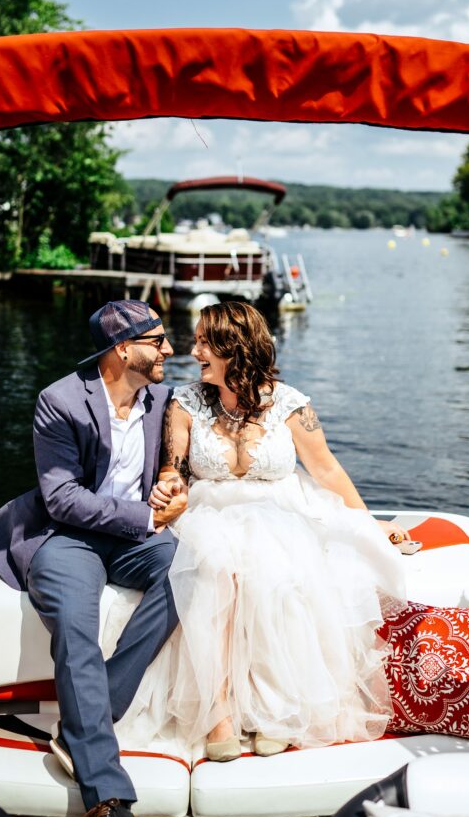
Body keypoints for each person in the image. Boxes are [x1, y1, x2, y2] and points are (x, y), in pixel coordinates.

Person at [126, 300, 408, 762]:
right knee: (215, 564)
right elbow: (172, 471)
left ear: (233, 348)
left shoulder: (292, 405)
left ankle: (279, 708)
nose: (193, 350)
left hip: (280, 510)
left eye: (203, 342)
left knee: (275, 564)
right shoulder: (185, 402)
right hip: (207, 512)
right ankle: (218, 712)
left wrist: (369, 520)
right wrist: (166, 490)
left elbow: (327, 471)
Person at [0, 300, 185, 817]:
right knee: (75, 622)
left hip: (136, 538)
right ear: (122, 349)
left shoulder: (162, 398)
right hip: (64, 536)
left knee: (195, 570)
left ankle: (95, 709)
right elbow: (63, 498)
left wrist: (169, 481)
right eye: (158, 340)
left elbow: (174, 462)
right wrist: (146, 516)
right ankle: (109, 802)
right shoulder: (60, 401)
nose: (169, 350)